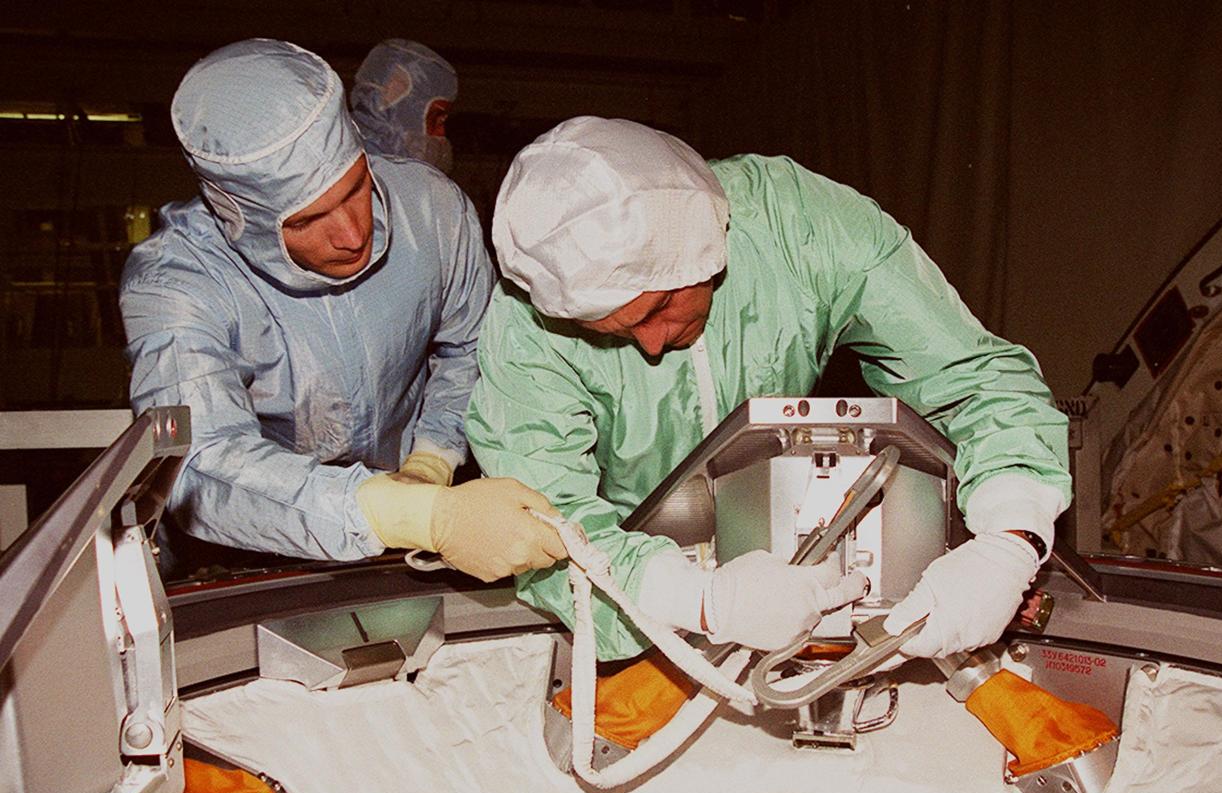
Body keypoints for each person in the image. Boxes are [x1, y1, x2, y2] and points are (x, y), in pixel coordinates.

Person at [466, 116, 1071, 660]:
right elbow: (543, 520)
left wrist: (1009, 542)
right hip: (642, 589)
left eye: (657, 310)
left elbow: (973, 378)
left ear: (703, 245)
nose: (651, 347)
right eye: (611, 333)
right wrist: (697, 601)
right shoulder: (524, 326)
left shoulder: (799, 228)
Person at [120, 39, 566, 581]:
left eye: (356, 187)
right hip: (239, 554)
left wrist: (432, 459)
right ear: (236, 216)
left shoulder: (433, 210)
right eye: (307, 221)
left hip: (402, 538)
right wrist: (414, 515)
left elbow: (470, 346)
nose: (354, 234)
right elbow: (200, 462)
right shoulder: (176, 282)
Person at [350, 39, 457, 174]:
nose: (441, 133)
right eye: (436, 117)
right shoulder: (362, 167)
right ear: (394, 95)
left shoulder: (342, 144)